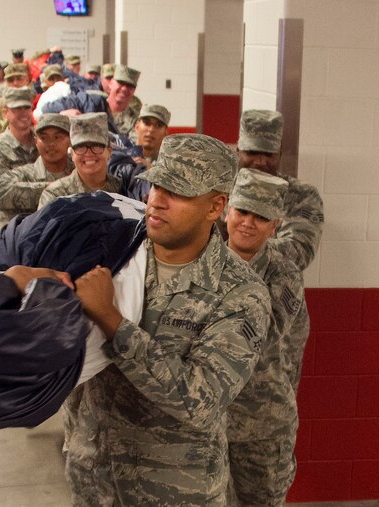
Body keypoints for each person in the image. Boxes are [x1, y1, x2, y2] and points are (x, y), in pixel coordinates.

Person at [64, 134, 271, 505]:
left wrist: (112, 320)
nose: (156, 199)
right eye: (157, 184)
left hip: (171, 489)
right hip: (95, 476)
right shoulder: (117, 251)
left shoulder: (240, 293)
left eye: (177, 192)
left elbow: (201, 399)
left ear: (215, 207)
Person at [224, 168, 307, 506]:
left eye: (261, 217)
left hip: (261, 424)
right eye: (242, 211)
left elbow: (262, 335)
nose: (248, 222)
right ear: (227, 211)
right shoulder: (199, 260)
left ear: (275, 225)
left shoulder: (283, 273)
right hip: (206, 421)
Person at [236, 110, 324, 274]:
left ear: (280, 154)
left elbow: (298, 252)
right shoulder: (220, 189)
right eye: (251, 153)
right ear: (238, 152)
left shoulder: (301, 195)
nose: (260, 162)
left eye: (269, 155)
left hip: (275, 294)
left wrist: (232, 249)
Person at [0, 113, 74, 228]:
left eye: (57, 137)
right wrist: (55, 189)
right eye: (44, 138)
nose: (51, 144)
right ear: (36, 141)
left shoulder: (80, 173)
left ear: (71, 140)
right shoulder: (25, 175)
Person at [38, 112, 123, 208]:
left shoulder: (121, 188)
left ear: (109, 151)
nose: (89, 153)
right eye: (80, 147)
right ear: (72, 154)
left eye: (96, 146)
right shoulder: (55, 195)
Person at [0, 87, 38, 184]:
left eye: (27, 108)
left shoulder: (43, 142)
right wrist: (48, 186)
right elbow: (3, 189)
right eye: (18, 109)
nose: (24, 113)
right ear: (5, 112)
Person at [0, 63, 32, 141]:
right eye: (10, 80)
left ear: (27, 80)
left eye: (19, 79)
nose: (15, 83)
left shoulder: (38, 101)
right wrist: (11, 120)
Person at [107, 64, 142, 137]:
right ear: (111, 83)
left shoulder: (136, 119)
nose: (124, 89)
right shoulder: (93, 107)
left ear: (134, 90)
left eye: (130, 86)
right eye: (121, 82)